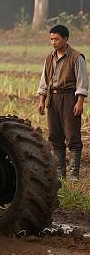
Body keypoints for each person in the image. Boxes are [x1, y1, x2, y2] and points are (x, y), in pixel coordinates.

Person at [38, 25, 88, 181]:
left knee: (72, 135)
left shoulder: (76, 57)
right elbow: (44, 81)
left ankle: (73, 174)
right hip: (53, 99)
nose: (53, 42)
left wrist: (79, 102)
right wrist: (42, 100)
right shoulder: (49, 57)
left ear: (65, 39)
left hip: (69, 98)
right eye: (51, 39)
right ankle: (60, 173)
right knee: (55, 136)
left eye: (56, 39)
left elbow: (82, 82)